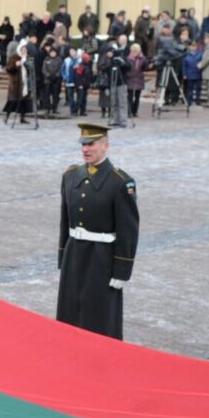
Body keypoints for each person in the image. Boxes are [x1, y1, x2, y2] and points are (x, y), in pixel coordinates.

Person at [56, 123, 138, 340]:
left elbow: (128, 230)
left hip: (102, 257)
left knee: (99, 314)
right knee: (70, 309)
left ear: (105, 146)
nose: (85, 149)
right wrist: (63, 256)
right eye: (83, 144)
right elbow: (65, 220)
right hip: (74, 253)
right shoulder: (70, 176)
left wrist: (122, 271)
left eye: (91, 144)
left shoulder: (120, 182)